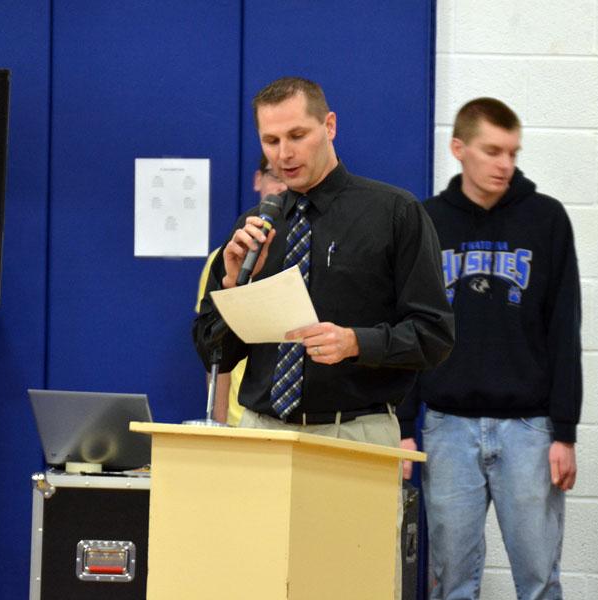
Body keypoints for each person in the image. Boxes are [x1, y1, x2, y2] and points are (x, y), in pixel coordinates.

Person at [193, 76, 454, 596]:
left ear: (329, 126)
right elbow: (214, 350)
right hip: (265, 433)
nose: (284, 154)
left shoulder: (395, 214)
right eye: (271, 142)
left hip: (351, 435)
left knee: (350, 587)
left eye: (298, 135)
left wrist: (357, 342)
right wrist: (232, 283)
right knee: (255, 584)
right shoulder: (254, 227)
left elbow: (434, 335)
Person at [398, 97, 582, 599]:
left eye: (513, 153)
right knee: (450, 581)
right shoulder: (427, 220)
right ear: (459, 149)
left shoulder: (546, 220)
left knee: (539, 581)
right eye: (493, 151)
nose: (505, 164)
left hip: (530, 429)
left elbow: (565, 329)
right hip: (446, 428)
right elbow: (409, 329)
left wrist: (564, 431)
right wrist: (403, 427)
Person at [195, 155, 287, 425]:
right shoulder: (225, 258)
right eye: (274, 176)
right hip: (243, 417)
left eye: (288, 177)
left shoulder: (303, 254)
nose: (281, 187)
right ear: (258, 180)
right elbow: (216, 350)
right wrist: (219, 424)